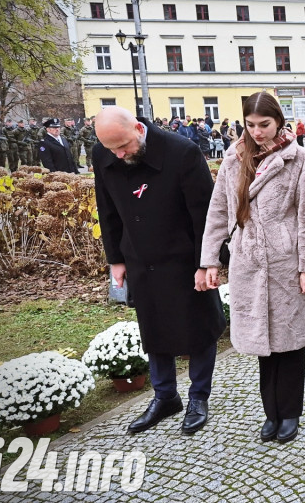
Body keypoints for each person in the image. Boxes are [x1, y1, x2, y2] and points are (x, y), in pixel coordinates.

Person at [93, 106, 226, 436]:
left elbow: (205, 215)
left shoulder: (182, 152)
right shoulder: (104, 153)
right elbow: (106, 206)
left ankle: (198, 397)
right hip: (139, 257)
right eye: (112, 150)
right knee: (152, 326)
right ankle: (165, 396)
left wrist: (205, 262)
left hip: (184, 257)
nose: (120, 155)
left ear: (139, 128)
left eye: (124, 146)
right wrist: (116, 259)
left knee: (197, 327)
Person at [201, 92, 305, 444]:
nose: (257, 131)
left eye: (264, 124)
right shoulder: (234, 159)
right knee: (261, 342)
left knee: (289, 341)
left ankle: (290, 412)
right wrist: (210, 259)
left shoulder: (299, 160)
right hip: (248, 261)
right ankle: (271, 412)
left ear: (280, 122)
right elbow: (218, 212)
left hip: (286, 262)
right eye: (250, 125)